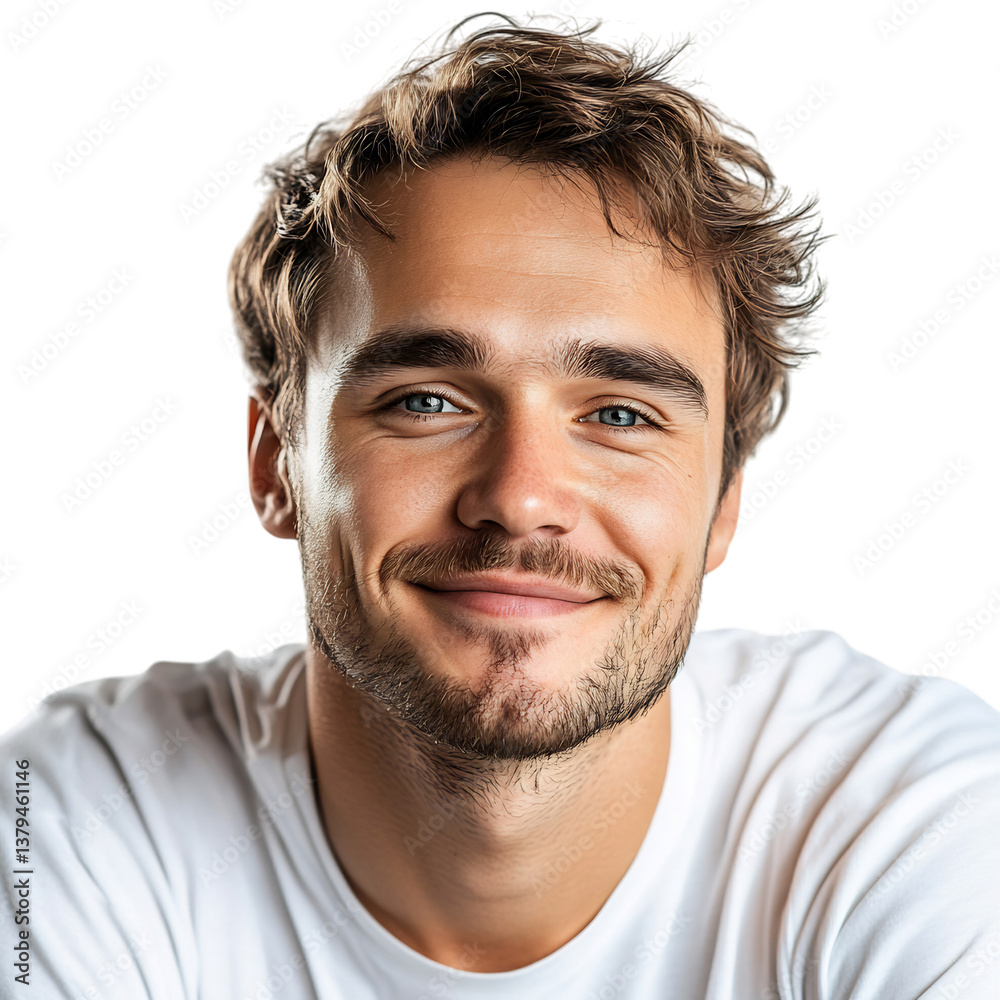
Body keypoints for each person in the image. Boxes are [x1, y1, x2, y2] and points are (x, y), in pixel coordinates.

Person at [3, 13, 999, 999]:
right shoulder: (73, 821)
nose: (520, 498)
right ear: (276, 466)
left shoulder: (916, 821)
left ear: (722, 501)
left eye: (618, 414)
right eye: (425, 402)